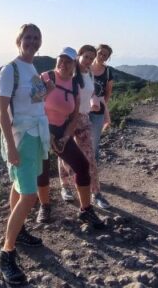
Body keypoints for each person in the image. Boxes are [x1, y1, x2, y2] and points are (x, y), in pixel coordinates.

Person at [0, 23, 51, 286]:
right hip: (21, 138)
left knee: (20, 188)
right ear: (18, 40)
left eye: (36, 38)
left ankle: (20, 230)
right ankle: (6, 254)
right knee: (29, 195)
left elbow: (34, 101)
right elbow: (2, 112)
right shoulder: (10, 70)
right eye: (27, 37)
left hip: (36, 136)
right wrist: (11, 147)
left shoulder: (32, 68)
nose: (32, 41)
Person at [35, 47, 105, 230]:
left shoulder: (74, 84)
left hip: (60, 130)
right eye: (61, 59)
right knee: (41, 170)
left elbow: (74, 116)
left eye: (68, 61)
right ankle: (45, 206)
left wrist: (66, 137)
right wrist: (46, 132)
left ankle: (85, 209)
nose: (63, 64)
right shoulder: (46, 77)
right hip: (40, 130)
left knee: (82, 165)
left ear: (74, 63)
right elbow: (32, 104)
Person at [59, 45, 111, 209]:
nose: (88, 60)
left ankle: (96, 193)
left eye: (91, 57)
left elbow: (92, 93)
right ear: (79, 56)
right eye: (86, 57)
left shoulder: (88, 73)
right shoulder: (71, 74)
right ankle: (65, 187)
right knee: (64, 156)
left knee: (90, 157)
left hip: (83, 119)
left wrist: (94, 102)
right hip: (66, 119)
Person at [90, 44, 114, 162]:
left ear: (108, 57)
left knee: (94, 142)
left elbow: (108, 92)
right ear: (96, 52)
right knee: (79, 141)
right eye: (100, 53)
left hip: (98, 111)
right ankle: (80, 175)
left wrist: (103, 105)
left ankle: (93, 175)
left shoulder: (108, 71)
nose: (102, 56)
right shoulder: (85, 67)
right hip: (82, 109)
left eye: (105, 55)